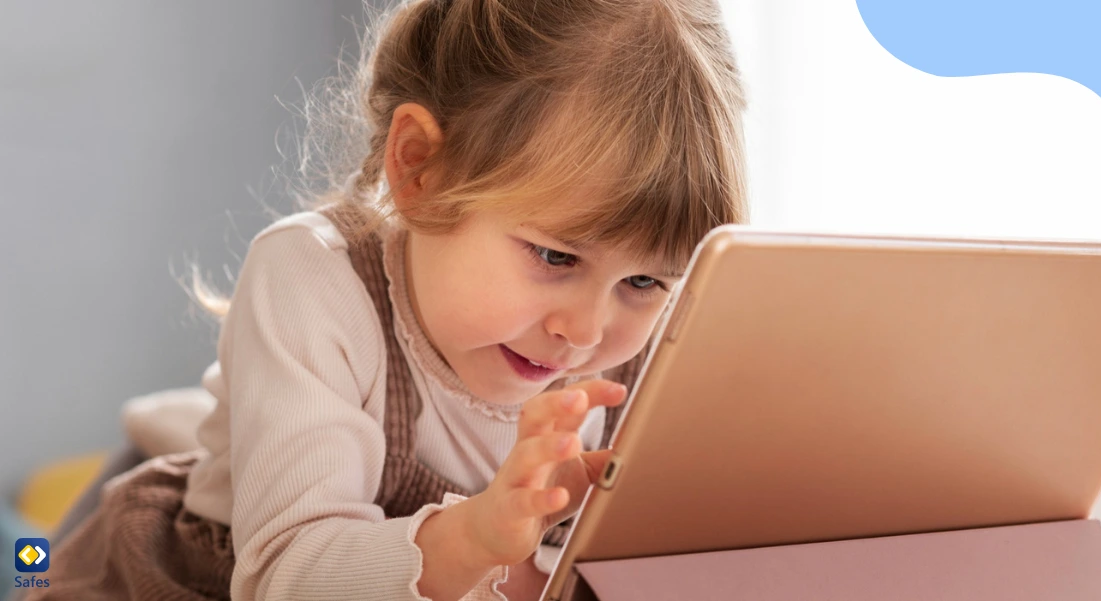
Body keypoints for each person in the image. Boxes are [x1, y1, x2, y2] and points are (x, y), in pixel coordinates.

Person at [31, 0, 746, 599]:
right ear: (419, 168)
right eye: (555, 256)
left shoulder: (642, 341)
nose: (585, 331)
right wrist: (476, 537)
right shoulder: (313, 278)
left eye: (645, 282)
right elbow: (289, 571)